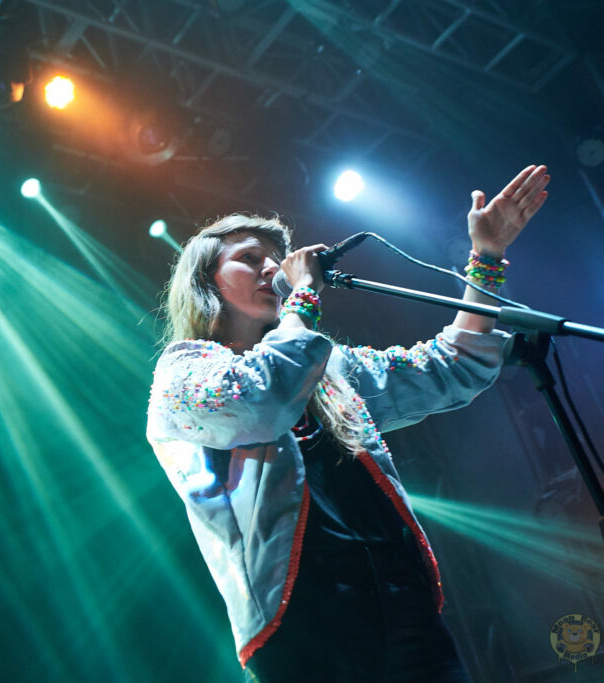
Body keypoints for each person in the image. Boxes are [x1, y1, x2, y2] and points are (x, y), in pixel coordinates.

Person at [146, 165, 549, 682]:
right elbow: (263, 397)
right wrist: (304, 299)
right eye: (249, 259)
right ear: (206, 282)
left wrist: (486, 258)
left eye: (275, 259)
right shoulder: (182, 375)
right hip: (306, 621)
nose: (272, 269)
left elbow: (453, 367)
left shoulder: (326, 366)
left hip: (404, 603)